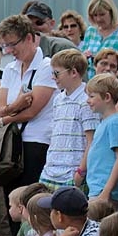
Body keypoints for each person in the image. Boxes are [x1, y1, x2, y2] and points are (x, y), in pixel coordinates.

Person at [0, 14, 59, 189]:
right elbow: (1, 108)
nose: (9, 50)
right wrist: (17, 105)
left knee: (29, 198)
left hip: (38, 142)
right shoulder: (9, 69)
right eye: (5, 45)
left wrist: (4, 118)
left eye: (12, 44)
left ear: (29, 38)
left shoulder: (47, 67)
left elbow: (31, 112)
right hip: (12, 144)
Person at [42, 49, 97, 190]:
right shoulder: (58, 99)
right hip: (50, 172)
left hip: (72, 173)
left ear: (74, 72)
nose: (53, 77)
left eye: (57, 73)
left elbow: (91, 141)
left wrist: (81, 171)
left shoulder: (86, 101)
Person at [84, 73, 118, 208]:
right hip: (97, 189)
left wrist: (106, 192)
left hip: (105, 193)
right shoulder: (104, 122)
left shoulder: (114, 123)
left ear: (107, 97)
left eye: (92, 96)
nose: (88, 100)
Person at [81, 0, 118, 78]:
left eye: (102, 14)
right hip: (90, 80)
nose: (98, 19)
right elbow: (82, 56)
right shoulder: (90, 31)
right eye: (95, 15)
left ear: (111, 13)